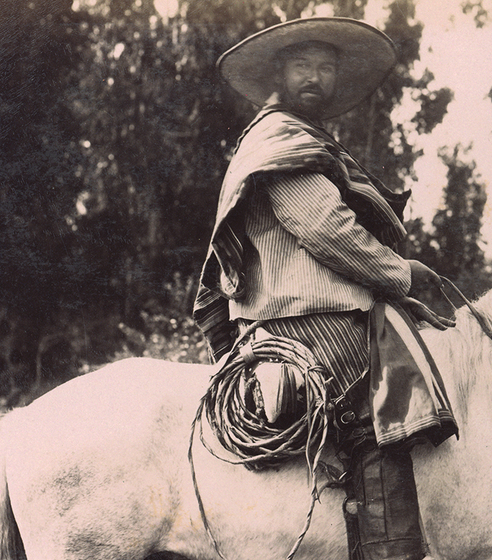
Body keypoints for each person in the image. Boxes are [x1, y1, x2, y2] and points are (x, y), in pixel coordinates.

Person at [192, 17, 457, 560]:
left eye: (325, 67)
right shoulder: (279, 142)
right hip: (304, 319)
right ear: (278, 73)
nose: (314, 77)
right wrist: (403, 272)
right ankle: (391, 550)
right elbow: (327, 229)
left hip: (315, 309)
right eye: (301, 65)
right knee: (384, 394)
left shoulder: (303, 139)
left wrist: (400, 287)